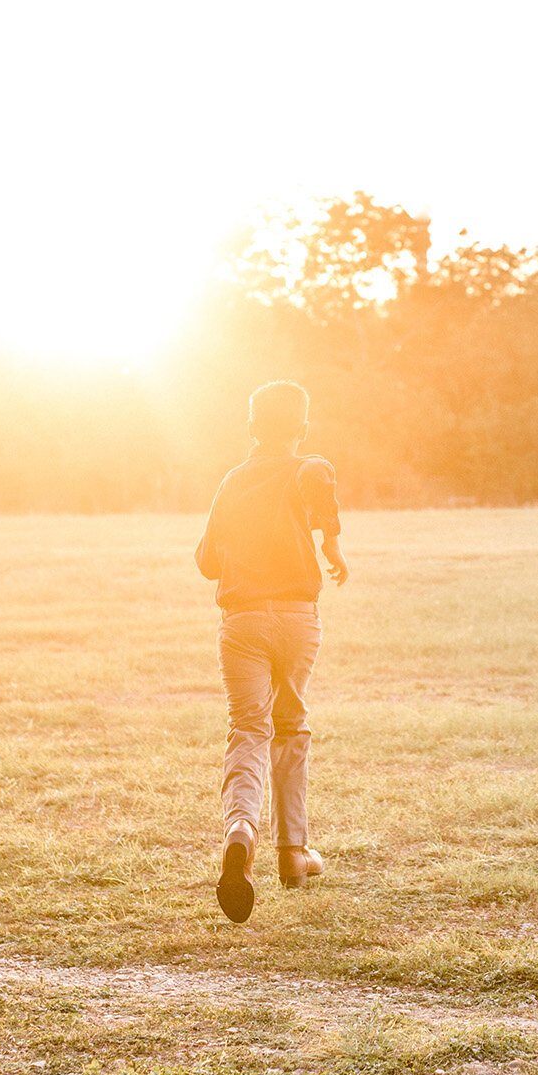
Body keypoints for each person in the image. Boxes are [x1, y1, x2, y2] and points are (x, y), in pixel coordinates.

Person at [195, 380, 348, 921]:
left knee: (249, 729)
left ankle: (241, 829)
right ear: (302, 429)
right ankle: (293, 853)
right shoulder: (309, 467)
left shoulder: (233, 481)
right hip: (297, 619)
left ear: (251, 428)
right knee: (291, 726)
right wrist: (330, 544)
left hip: (242, 621)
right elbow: (318, 485)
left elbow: (207, 562)